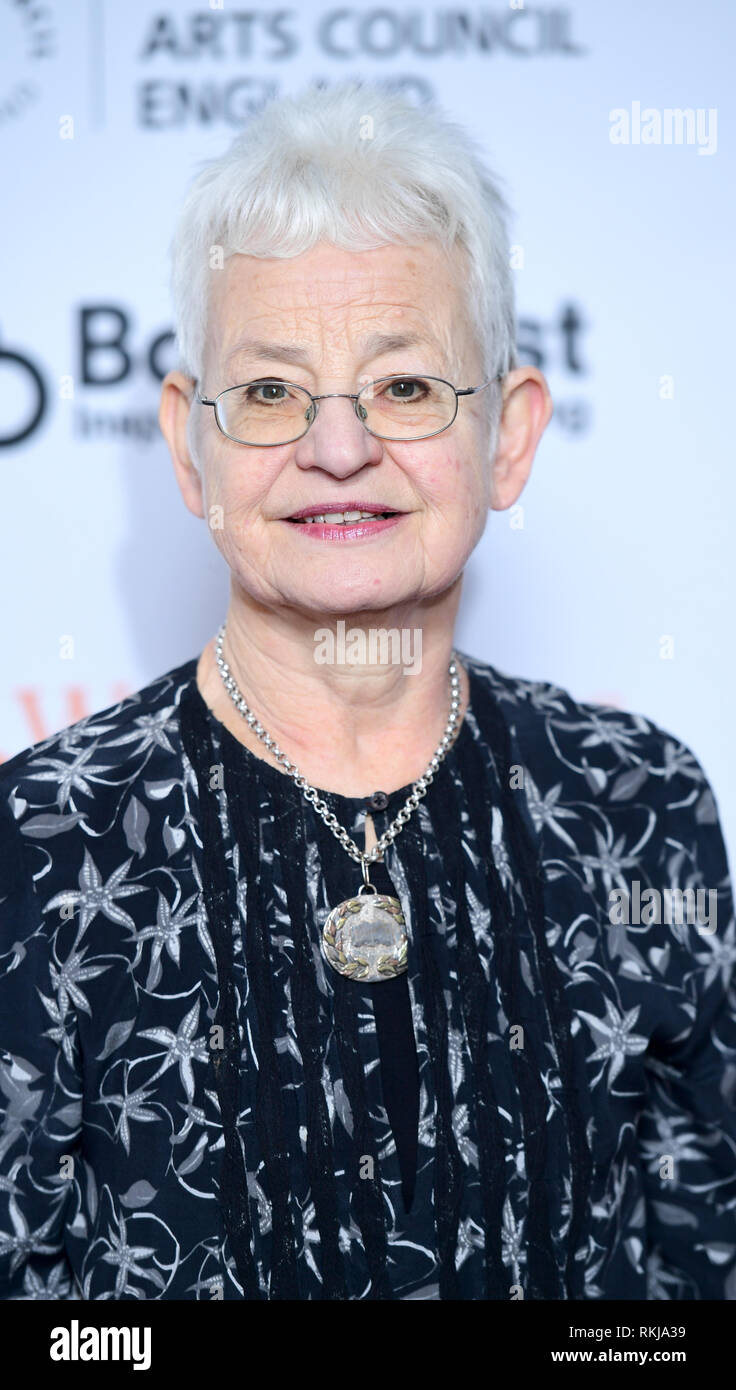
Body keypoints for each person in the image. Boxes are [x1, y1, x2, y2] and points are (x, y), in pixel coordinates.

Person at [1, 80, 734, 1302]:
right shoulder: (41, 843)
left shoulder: (633, 803)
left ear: (506, 435)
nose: (337, 448)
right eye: (273, 391)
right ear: (190, 444)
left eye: (402, 386)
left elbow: (694, 1276)